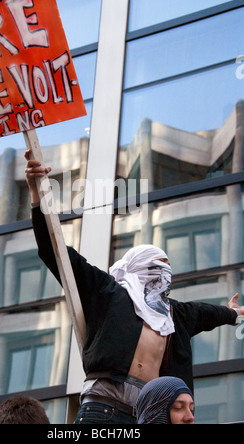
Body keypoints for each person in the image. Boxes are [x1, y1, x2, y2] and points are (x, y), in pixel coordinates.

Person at [25, 152, 244, 425]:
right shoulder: (108, 293)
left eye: (167, 269)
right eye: (157, 266)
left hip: (150, 417)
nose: (164, 275)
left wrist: (233, 313)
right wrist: (37, 191)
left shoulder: (175, 315)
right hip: (102, 409)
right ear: (137, 266)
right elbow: (54, 249)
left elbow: (208, 314)